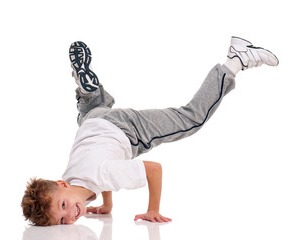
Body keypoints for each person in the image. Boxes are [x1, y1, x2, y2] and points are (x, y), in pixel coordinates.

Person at [21, 37, 279, 226]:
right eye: (63, 220)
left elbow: (152, 168)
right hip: (90, 121)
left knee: (191, 118)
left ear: (62, 184)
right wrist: (107, 204)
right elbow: (101, 172)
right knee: (96, 111)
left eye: (63, 207)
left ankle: (235, 60)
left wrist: (152, 209)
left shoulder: (100, 174)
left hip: (125, 128)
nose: (71, 215)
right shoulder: (73, 179)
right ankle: (88, 92)